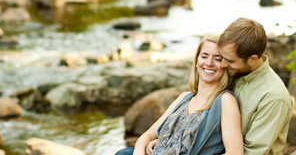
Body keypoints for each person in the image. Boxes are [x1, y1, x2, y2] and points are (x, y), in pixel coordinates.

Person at [115, 34, 243, 155]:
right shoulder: (184, 98)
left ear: (226, 65)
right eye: (204, 56)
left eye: (218, 59)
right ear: (197, 61)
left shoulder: (225, 100)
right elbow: (147, 135)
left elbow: (235, 153)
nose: (209, 63)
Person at [217, 17, 292, 154]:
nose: (222, 64)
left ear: (252, 59)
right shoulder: (231, 72)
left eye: (230, 60)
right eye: (221, 57)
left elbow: (252, 153)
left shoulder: (273, 97)